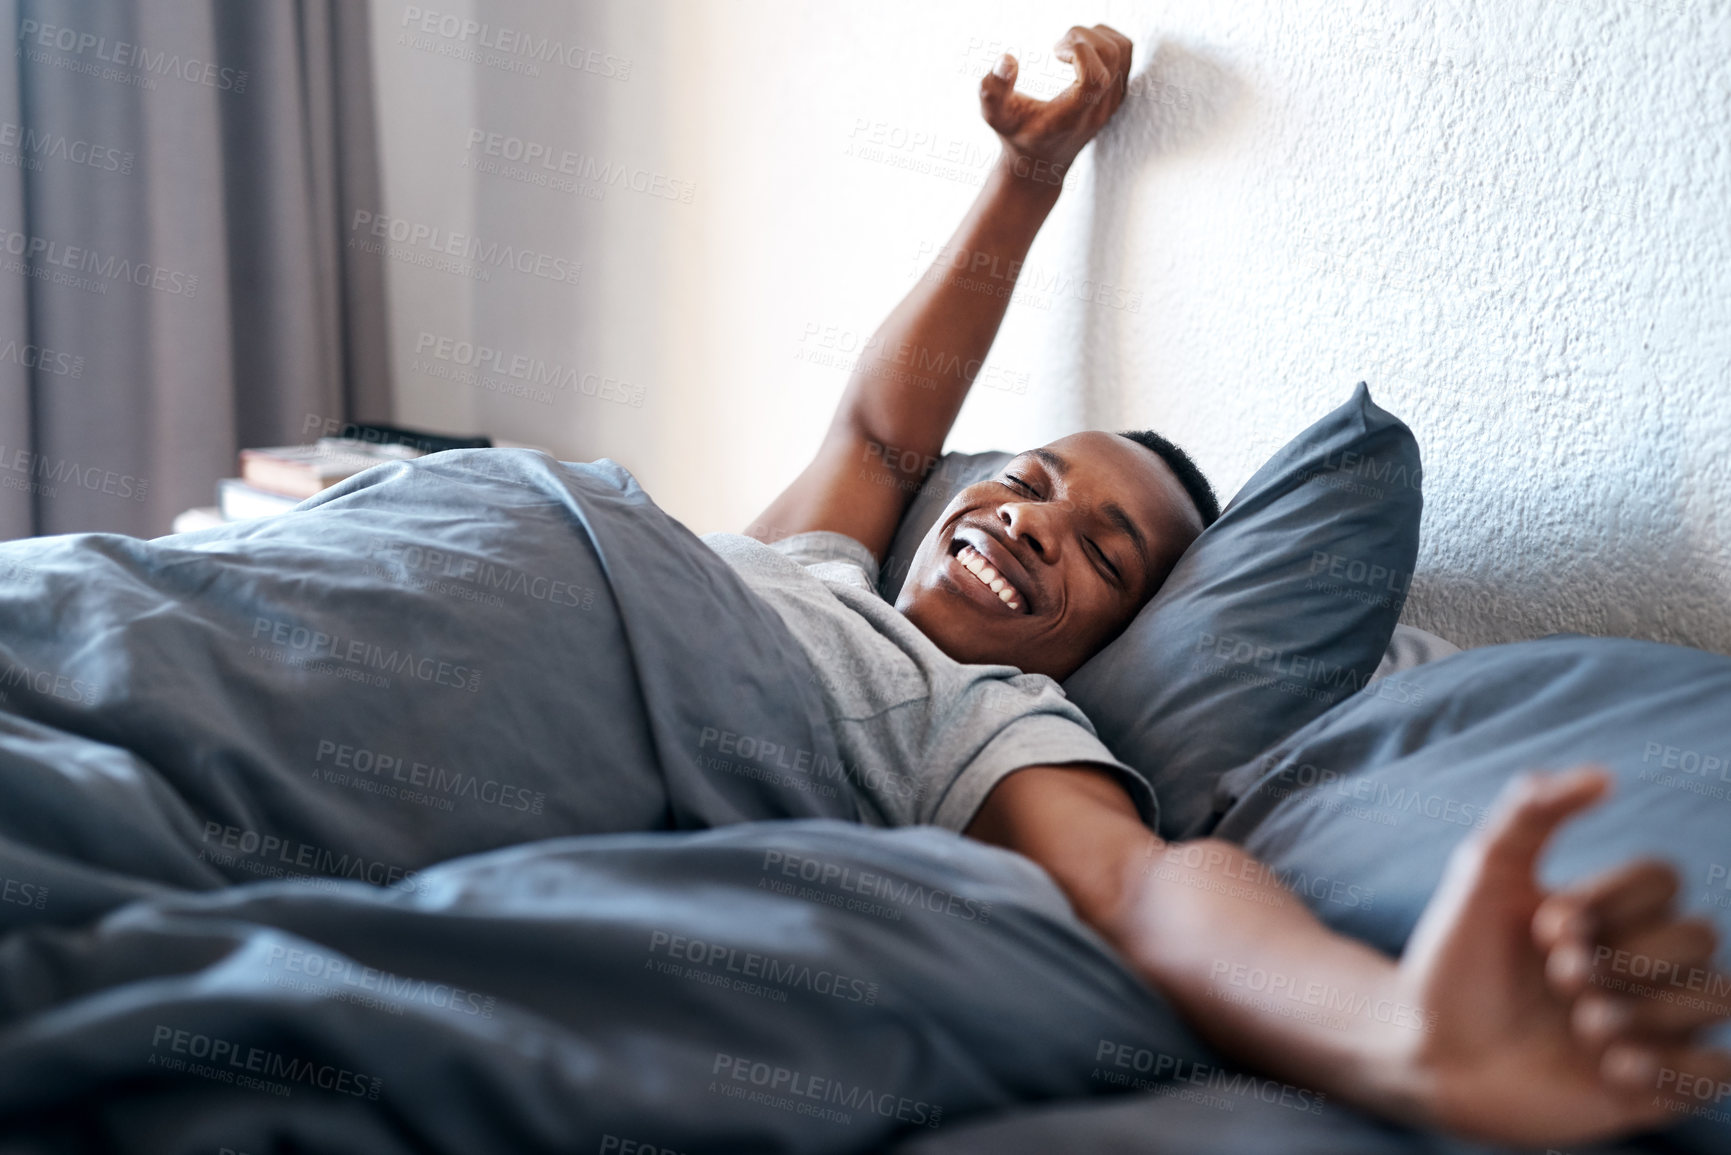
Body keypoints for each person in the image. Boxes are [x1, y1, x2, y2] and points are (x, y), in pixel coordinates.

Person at [706, 24, 1731, 1146]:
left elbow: (1150, 892)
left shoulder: (991, 717)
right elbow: (880, 428)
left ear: (1106, 649)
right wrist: (1027, 176)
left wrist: (1400, 1033)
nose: (1033, 523)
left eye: (1104, 556)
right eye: (1023, 482)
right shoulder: (814, 560)